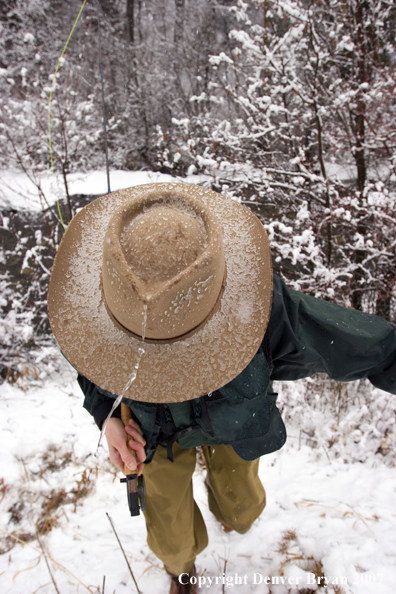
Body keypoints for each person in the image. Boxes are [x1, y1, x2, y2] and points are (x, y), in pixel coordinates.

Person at [47, 183, 396, 594]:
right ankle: (182, 573)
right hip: (151, 437)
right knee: (171, 539)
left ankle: (225, 506)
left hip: (232, 422)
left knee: (243, 507)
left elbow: (356, 342)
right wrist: (107, 418)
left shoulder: (264, 307)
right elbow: (92, 364)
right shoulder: (104, 296)